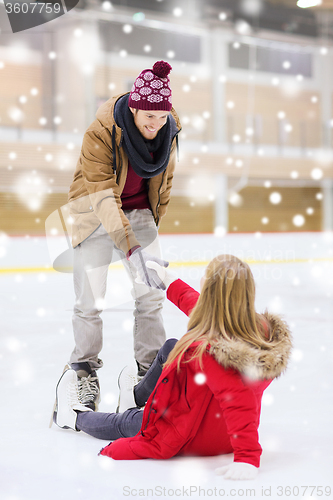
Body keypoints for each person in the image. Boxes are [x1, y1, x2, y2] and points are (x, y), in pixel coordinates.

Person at [53, 255, 292, 480]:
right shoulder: (257, 328)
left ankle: (72, 417)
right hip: (220, 431)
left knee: (126, 422)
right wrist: (168, 281)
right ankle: (134, 396)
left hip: (189, 435)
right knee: (171, 347)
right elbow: (199, 306)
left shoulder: (211, 350)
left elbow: (238, 401)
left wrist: (247, 458)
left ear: (210, 291)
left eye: (205, 278)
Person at [64, 60, 181, 410]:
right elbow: (102, 194)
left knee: (150, 294)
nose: (154, 124)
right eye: (149, 117)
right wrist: (128, 242)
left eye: (161, 118)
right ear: (134, 107)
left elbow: (166, 181)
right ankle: (84, 371)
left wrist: (149, 228)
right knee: (89, 300)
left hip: (140, 212)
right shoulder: (100, 132)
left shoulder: (169, 130)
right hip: (95, 213)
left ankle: (149, 373)